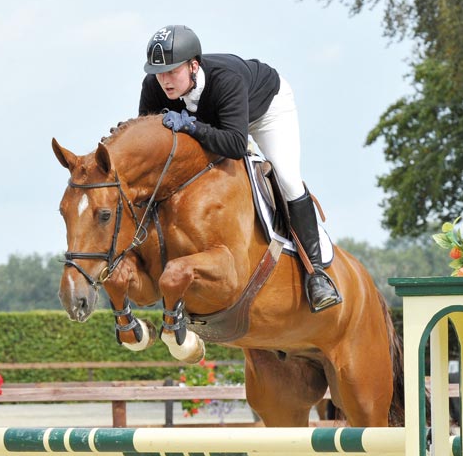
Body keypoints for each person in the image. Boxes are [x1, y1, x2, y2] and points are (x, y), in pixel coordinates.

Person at [138, 24, 341, 313]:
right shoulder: (153, 86)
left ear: (194, 66)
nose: (164, 81)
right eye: (159, 72)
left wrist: (192, 126)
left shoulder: (226, 80)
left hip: (265, 110)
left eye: (172, 71)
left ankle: (316, 275)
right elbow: (151, 143)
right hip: (216, 120)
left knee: (287, 178)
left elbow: (235, 144)